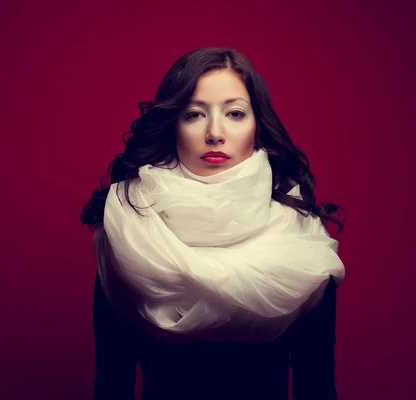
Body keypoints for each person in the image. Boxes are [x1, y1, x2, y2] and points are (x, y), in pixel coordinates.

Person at [80, 47, 346, 400]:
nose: (215, 133)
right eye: (194, 114)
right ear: (172, 125)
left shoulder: (301, 236)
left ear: (257, 126)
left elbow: (316, 388)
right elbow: (113, 387)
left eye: (235, 113)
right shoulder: (129, 230)